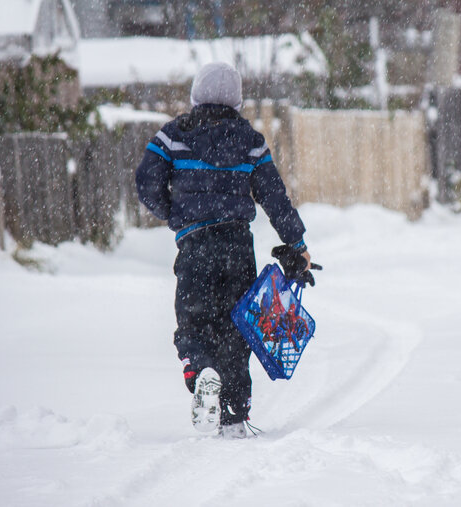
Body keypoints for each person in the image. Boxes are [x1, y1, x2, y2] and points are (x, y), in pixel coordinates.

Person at [135, 62, 317, 438]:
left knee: (194, 322)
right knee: (237, 329)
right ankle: (234, 413)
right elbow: (274, 197)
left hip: (195, 246)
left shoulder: (172, 136)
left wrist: (176, 215)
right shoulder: (250, 141)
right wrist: (296, 244)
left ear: (196, 94)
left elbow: (146, 182)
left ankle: (201, 369)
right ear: (236, 99)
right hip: (237, 246)